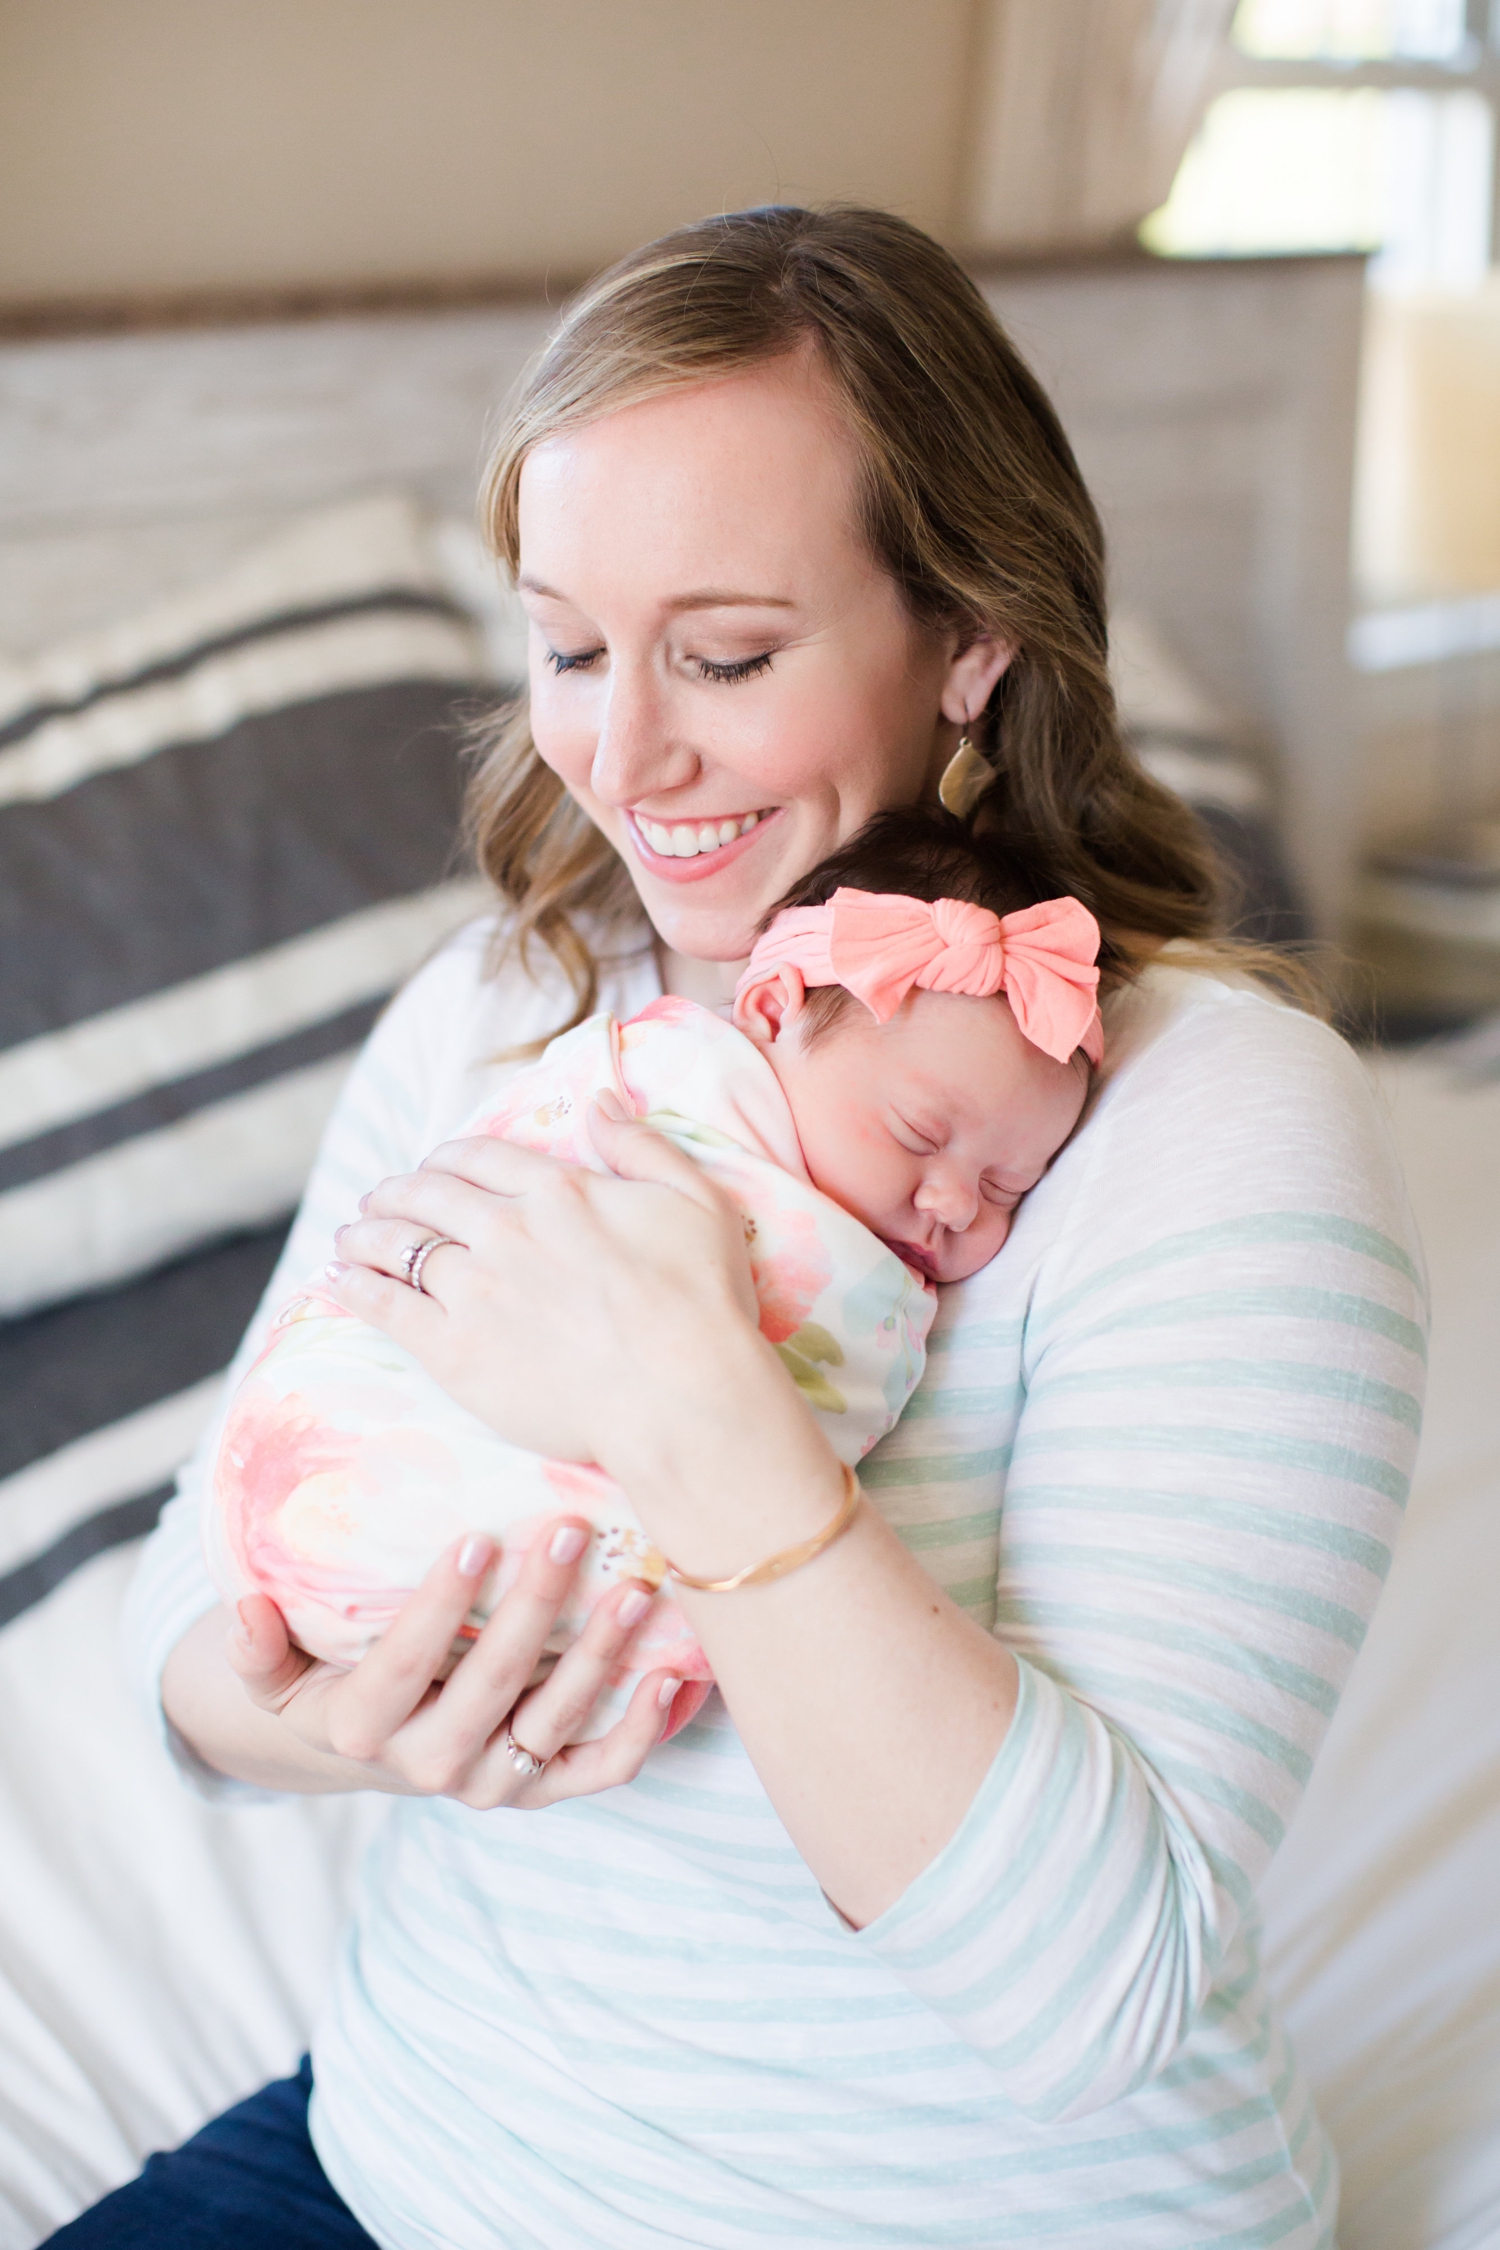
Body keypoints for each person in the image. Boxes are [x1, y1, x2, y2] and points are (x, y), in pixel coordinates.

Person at [76, 204, 1421, 2250]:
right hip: (415, 2149)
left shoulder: (1200, 1115)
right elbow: (187, 1611)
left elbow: (1097, 1989)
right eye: (567, 646)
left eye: (725, 654)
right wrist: (327, 1715)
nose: (624, 757)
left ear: (972, 642)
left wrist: (698, 1395)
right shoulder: (503, 1012)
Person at [206, 809, 1102, 1730]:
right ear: (767, 1013)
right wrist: (315, 1730)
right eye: (919, 1134)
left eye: (1008, 1186)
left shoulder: (1178, 1093)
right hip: (311, 1482)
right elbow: (184, 1643)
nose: (956, 1204)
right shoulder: (608, 1058)